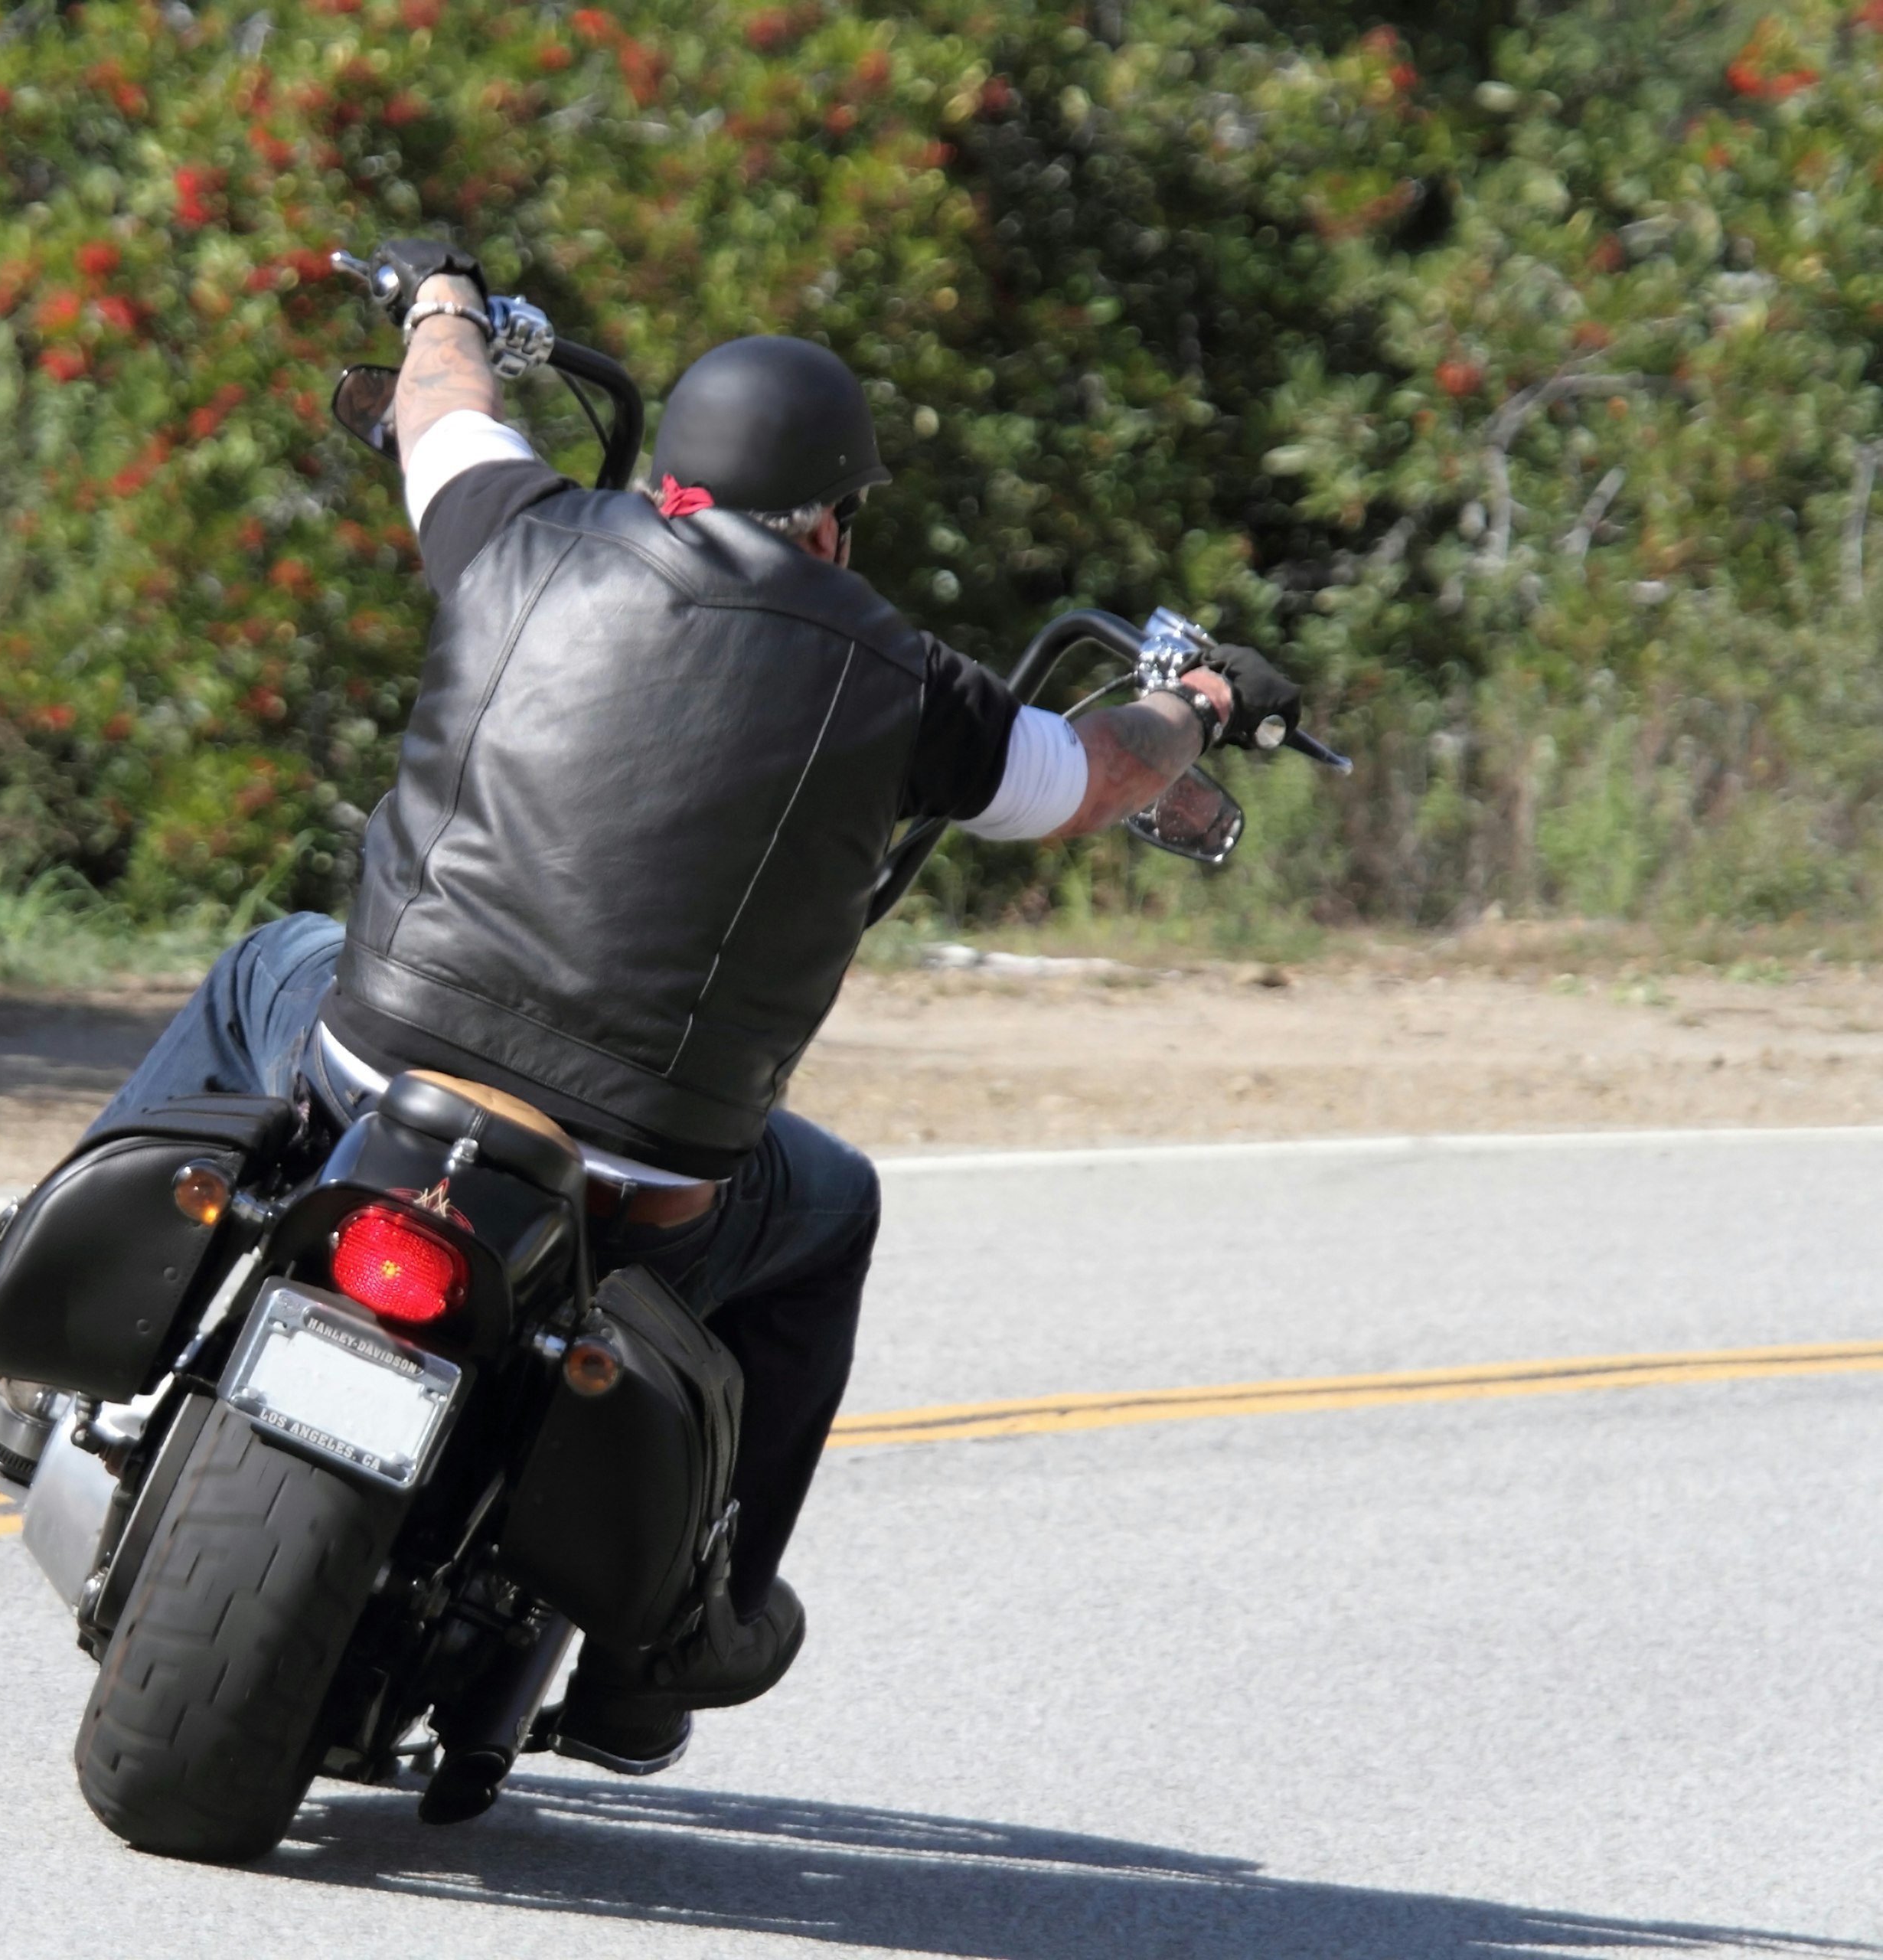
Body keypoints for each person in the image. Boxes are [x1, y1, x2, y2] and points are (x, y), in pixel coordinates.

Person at [90, 238, 1302, 1774]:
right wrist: (1200, 702)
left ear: (674, 469)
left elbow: (444, 398)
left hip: (375, 1065)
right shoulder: (906, 684)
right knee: (835, 1206)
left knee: (273, 949)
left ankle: (46, 1301)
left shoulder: (514, 525)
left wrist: (440, 295)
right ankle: (678, 1638)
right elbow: (1101, 777)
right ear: (831, 515)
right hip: (634, 1169)